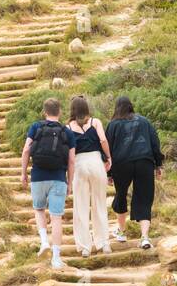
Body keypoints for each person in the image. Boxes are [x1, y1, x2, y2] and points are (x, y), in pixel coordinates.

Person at [20, 97, 76, 270]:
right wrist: (70, 182)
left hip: (38, 175)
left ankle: (44, 241)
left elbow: (26, 150)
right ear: (59, 112)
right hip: (58, 177)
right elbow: (72, 160)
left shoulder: (36, 127)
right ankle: (56, 258)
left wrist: (23, 173)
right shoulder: (67, 132)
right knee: (56, 217)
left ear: (45, 112)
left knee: (39, 210)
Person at [105, 96, 164, 250]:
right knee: (144, 198)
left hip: (121, 164)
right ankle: (144, 237)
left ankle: (122, 232)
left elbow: (107, 149)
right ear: (131, 106)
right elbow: (154, 142)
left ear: (117, 108)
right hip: (144, 162)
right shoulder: (144, 121)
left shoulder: (113, 125)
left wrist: (109, 173)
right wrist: (159, 164)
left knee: (121, 194)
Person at [67, 96, 113, 257]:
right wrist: (108, 157)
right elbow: (103, 140)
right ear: (86, 108)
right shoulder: (95, 122)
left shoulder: (68, 126)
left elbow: (69, 152)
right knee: (99, 203)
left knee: (81, 206)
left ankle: (85, 246)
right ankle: (103, 243)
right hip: (95, 162)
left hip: (79, 164)